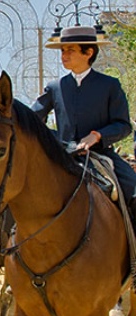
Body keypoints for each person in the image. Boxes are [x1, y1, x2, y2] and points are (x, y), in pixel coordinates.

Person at [31, 25, 136, 217]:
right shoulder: (55, 87)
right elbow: (32, 119)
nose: (64, 55)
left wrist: (97, 136)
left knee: (133, 188)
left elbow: (123, 125)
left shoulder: (110, 86)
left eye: (70, 50)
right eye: (62, 51)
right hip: (62, 155)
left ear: (88, 52)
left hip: (100, 154)